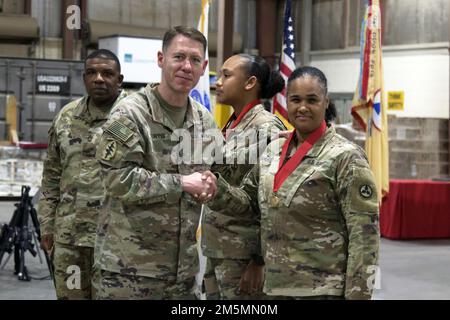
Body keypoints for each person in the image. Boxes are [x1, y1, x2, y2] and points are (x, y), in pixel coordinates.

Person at [203, 66, 380, 299]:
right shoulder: (273, 151)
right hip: (275, 289)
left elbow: (364, 237)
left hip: (322, 290)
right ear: (287, 103)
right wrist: (216, 187)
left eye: (312, 100)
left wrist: (358, 296)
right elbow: (247, 203)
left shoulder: (345, 157)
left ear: (326, 102)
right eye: (295, 99)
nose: (303, 107)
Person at [92, 26, 218, 300]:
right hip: (130, 271)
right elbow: (116, 179)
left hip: (182, 275)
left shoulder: (204, 120)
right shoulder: (130, 113)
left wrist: (210, 182)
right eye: (179, 57)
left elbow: (210, 171)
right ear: (161, 59)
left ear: (204, 66)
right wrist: (182, 183)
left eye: (195, 60)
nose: (187, 66)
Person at [38, 49, 126, 299]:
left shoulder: (134, 116)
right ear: (84, 77)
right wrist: (47, 225)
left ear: (119, 79)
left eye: (107, 73)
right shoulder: (66, 116)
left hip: (117, 240)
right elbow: (51, 175)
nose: (99, 78)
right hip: (69, 238)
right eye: (92, 73)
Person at [201, 54, 286, 299]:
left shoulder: (267, 128)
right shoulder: (233, 124)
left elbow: (272, 200)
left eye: (226, 75)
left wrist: (259, 259)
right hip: (218, 246)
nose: (218, 82)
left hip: (244, 254)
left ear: (250, 83)